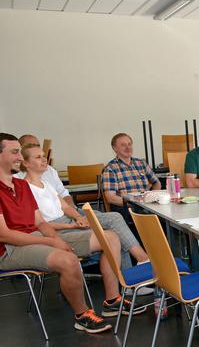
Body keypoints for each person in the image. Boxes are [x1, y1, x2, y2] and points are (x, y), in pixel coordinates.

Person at [0, 133, 119, 334]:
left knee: (110, 237)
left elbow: (39, 221)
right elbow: (5, 235)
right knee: (68, 260)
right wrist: (53, 242)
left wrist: (55, 239)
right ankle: (82, 315)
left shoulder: (21, 185)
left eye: (20, 152)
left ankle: (112, 300)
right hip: (10, 249)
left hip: (38, 237)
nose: (20, 157)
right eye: (14, 152)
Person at [24, 143, 150, 272]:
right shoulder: (25, 188)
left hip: (68, 220)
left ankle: (135, 270)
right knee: (114, 232)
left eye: (44, 156)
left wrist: (78, 217)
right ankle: (140, 263)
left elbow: (66, 207)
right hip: (57, 229)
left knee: (115, 219)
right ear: (26, 163)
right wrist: (72, 225)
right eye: (38, 157)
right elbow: (40, 224)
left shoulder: (45, 183)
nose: (44, 159)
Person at [101, 132, 161, 223]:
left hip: (147, 206)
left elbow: (156, 183)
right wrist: (135, 202)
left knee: (168, 216)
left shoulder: (141, 163)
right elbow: (111, 198)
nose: (128, 148)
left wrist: (152, 197)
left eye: (129, 144)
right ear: (115, 148)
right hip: (127, 209)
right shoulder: (110, 169)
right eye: (123, 145)